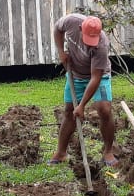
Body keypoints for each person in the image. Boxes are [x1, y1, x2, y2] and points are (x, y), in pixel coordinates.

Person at [48, 12, 117, 168]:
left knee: (104, 109)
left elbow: (95, 78)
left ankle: (108, 151)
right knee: (69, 110)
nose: (91, 43)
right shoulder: (71, 21)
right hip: (76, 74)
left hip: (99, 76)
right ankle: (61, 152)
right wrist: (61, 52)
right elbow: (57, 30)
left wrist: (82, 105)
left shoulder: (101, 45)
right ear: (80, 28)